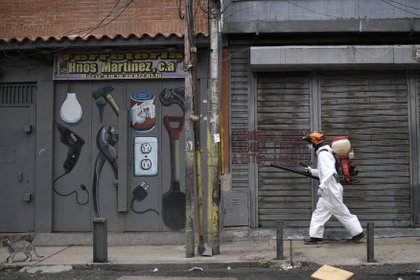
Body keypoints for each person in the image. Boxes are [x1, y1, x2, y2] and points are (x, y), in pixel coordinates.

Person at [302, 132, 365, 244]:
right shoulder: (325, 153)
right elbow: (325, 172)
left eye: (309, 143)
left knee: (342, 213)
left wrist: (322, 186)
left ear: (314, 143)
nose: (308, 146)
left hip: (330, 190)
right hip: (329, 190)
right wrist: (312, 171)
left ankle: (358, 233)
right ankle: (316, 237)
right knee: (319, 213)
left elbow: (329, 172)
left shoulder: (323, 154)